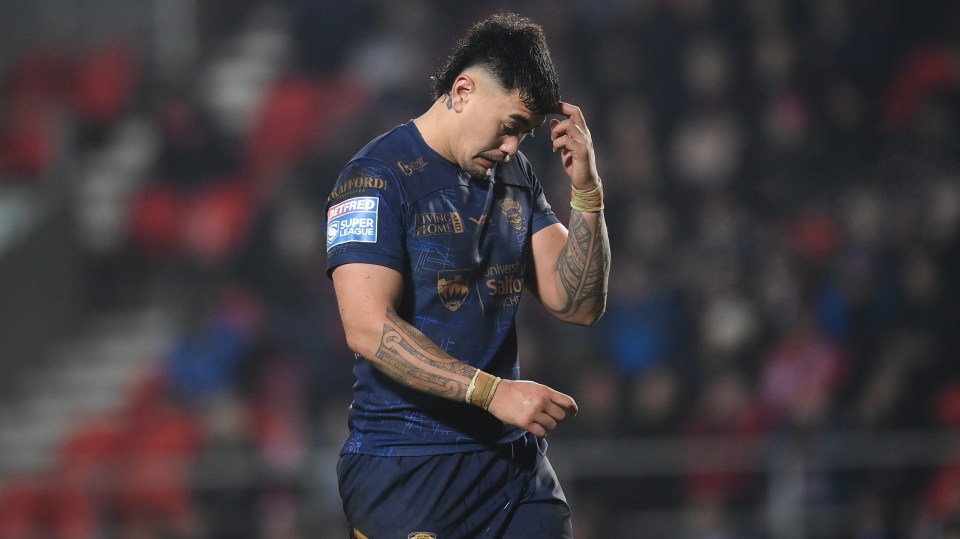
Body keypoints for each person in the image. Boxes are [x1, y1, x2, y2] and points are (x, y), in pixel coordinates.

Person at [324, 11, 611, 538]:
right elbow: (366, 326)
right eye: (509, 128)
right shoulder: (374, 178)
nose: (512, 148)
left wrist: (587, 191)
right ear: (462, 90)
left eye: (523, 134)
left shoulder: (514, 176)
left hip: (510, 467)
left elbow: (578, 303)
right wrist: (492, 391)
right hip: (407, 466)